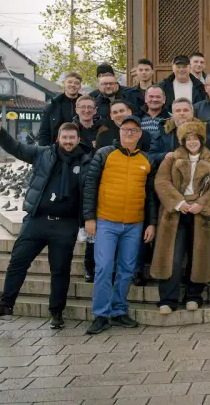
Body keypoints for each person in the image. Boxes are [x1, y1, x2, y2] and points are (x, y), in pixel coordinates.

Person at [0, 121, 92, 329]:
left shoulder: (88, 159)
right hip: (37, 220)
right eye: (64, 137)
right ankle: (6, 305)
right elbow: (17, 148)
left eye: (72, 138)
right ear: (57, 138)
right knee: (18, 261)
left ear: (78, 139)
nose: (68, 142)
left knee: (60, 270)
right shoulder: (43, 154)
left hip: (66, 225)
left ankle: (56, 312)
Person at [79, 116, 158, 334]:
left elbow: (150, 196)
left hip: (134, 225)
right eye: (126, 130)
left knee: (126, 269)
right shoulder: (105, 154)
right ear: (119, 132)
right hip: (106, 221)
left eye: (134, 131)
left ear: (140, 134)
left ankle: (119, 310)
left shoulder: (147, 160)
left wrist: (151, 223)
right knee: (104, 268)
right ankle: (101, 314)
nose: (129, 134)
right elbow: (90, 187)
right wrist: (89, 218)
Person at [152, 120, 210, 314]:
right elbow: (161, 182)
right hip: (175, 213)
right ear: (183, 141)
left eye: (195, 138)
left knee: (197, 254)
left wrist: (201, 204)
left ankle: (194, 295)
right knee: (172, 257)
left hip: (200, 214)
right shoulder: (172, 159)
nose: (192, 142)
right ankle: (168, 298)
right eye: (188, 139)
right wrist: (179, 202)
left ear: (201, 140)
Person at [37, 71, 82, 146]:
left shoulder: (86, 106)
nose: (73, 85)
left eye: (76, 83)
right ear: (64, 84)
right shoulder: (52, 107)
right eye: (70, 82)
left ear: (80, 86)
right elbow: (44, 133)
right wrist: (45, 153)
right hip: (56, 151)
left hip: (80, 150)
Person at [148, 99, 193, 166]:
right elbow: (151, 156)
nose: (182, 113)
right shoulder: (162, 132)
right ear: (173, 114)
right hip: (169, 172)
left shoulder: (204, 131)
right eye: (178, 111)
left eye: (185, 110)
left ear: (192, 112)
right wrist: (164, 155)